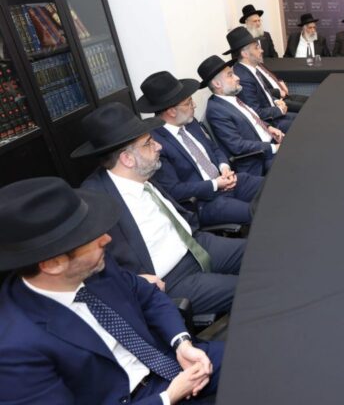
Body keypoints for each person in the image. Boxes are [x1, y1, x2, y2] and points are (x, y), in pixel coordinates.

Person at [0, 177, 223, 404]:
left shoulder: (96, 266)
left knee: (246, 359)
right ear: (53, 264)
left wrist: (182, 343)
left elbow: (148, 296)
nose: (106, 239)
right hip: (141, 398)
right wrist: (168, 397)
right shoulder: (14, 347)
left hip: (172, 360)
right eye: (88, 237)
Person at [73, 102, 247, 316]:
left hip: (195, 245)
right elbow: (93, 267)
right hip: (172, 278)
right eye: (149, 143)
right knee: (250, 288)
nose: (159, 146)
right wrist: (135, 282)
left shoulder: (143, 174)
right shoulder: (94, 203)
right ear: (127, 159)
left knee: (262, 252)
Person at [137, 71, 263, 226]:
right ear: (171, 111)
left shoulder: (191, 123)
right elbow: (174, 190)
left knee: (273, 185)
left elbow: (214, 149)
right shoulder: (156, 144)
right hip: (205, 202)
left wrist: (224, 167)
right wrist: (215, 184)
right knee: (258, 212)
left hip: (227, 181)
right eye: (188, 103)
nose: (194, 105)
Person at [199, 55, 283, 178]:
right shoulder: (216, 111)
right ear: (217, 84)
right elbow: (237, 146)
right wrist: (273, 148)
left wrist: (268, 127)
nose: (237, 77)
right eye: (230, 75)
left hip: (268, 143)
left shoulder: (231, 96)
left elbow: (251, 118)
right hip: (259, 160)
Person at [227, 26, 298, 128]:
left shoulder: (251, 68)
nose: (262, 50)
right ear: (245, 54)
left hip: (274, 114)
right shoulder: (243, 78)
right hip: (270, 124)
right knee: (306, 123)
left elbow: (263, 94)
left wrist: (275, 100)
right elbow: (255, 113)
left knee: (308, 117)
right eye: (256, 47)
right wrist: (278, 110)